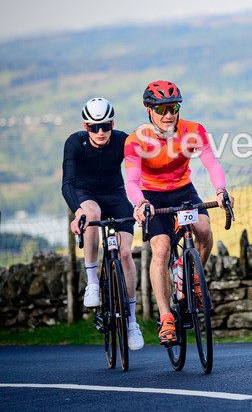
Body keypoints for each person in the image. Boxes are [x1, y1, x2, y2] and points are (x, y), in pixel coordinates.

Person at [124, 80, 234, 346]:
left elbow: (211, 163)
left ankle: (193, 279)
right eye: (161, 109)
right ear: (148, 110)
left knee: (205, 231)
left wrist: (221, 191)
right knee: (160, 248)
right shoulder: (136, 140)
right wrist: (140, 204)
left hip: (184, 191)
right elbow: (131, 182)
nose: (169, 114)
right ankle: (166, 318)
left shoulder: (193, 130)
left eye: (173, 107)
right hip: (152, 197)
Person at [61, 97, 144, 350]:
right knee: (92, 215)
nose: (100, 132)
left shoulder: (122, 140)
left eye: (105, 126)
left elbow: (139, 172)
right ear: (86, 126)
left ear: (112, 124)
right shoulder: (75, 143)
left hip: (116, 195)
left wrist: (142, 202)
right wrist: (77, 212)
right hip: (86, 195)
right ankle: (93, 283)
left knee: (126, 253)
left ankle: (131, 322)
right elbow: (67, 184)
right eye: (94, 127)